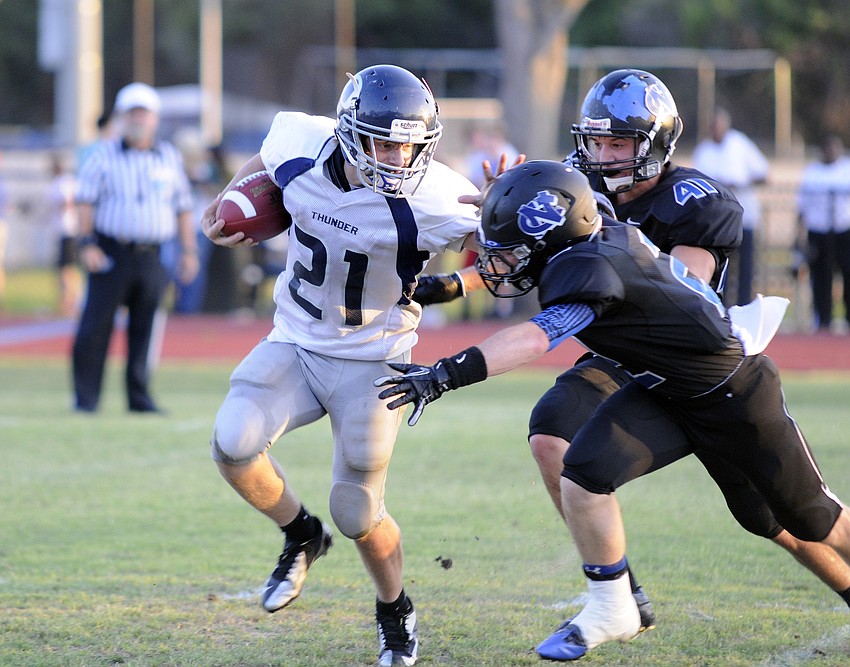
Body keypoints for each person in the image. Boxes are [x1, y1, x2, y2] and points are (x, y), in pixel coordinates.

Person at [414, 69, 850, 623]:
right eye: (595, 140)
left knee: (778, 520)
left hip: (683, 357)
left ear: (656, 143)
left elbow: (682, 287)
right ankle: (617, 588)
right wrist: (472, 269)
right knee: (552, 433)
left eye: (617, 141)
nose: (601, 154)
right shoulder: (577, 188)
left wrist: (605, 232)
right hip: (614, 354)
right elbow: (534, 255)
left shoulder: (695, 200)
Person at [199, 64, 481, 667]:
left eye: (412, 143)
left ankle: (394, 609)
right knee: (232, 441)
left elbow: (507, 254)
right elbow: (266, 165)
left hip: (375, 360)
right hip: (296, 343)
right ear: (350, 131)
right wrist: (226, 202)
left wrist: (458, 282)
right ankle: (301, 534)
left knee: (357, 512)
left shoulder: (439, 195)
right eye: (386, 141)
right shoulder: (300, 141)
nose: (400, 156)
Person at [72, 82, 199, 413]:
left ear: (155, 118)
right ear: (122, 117)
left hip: (153, 254)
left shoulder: (169, 157)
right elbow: (84, 202)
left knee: (146, 329)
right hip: (112, 250)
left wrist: (188, 251)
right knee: (95, 327)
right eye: (132, 113)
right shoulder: (102, 155)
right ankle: (86, 399)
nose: (138, 120)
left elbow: (183, 207)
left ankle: (139, 397)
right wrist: (86, 244)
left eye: (144, 113)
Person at [693, 106, 769, 306]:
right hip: (717, 223)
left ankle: (743, 307)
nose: (716, 129)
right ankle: (721, 309)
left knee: (746, 269)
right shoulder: (703, 151)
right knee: (721, 268)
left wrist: (740, 184)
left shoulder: (739, 143)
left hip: (745, 217)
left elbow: (763, 173)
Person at [796, 133, 850, 333]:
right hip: (819, 232)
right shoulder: (812, 173)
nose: (831, 152)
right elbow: (801, 209)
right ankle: (823, 321)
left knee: (847, 274)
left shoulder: (846, 169)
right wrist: (799, 237)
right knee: (821, 278)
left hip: (844, 231)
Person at [48, 153, 83, 317]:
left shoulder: (60, 184)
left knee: (66, 268)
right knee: (69, 267)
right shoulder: (71, 181)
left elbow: (66, 202)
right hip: (72, 229)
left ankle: (69, 301)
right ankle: (71, 300)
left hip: (66, 229)